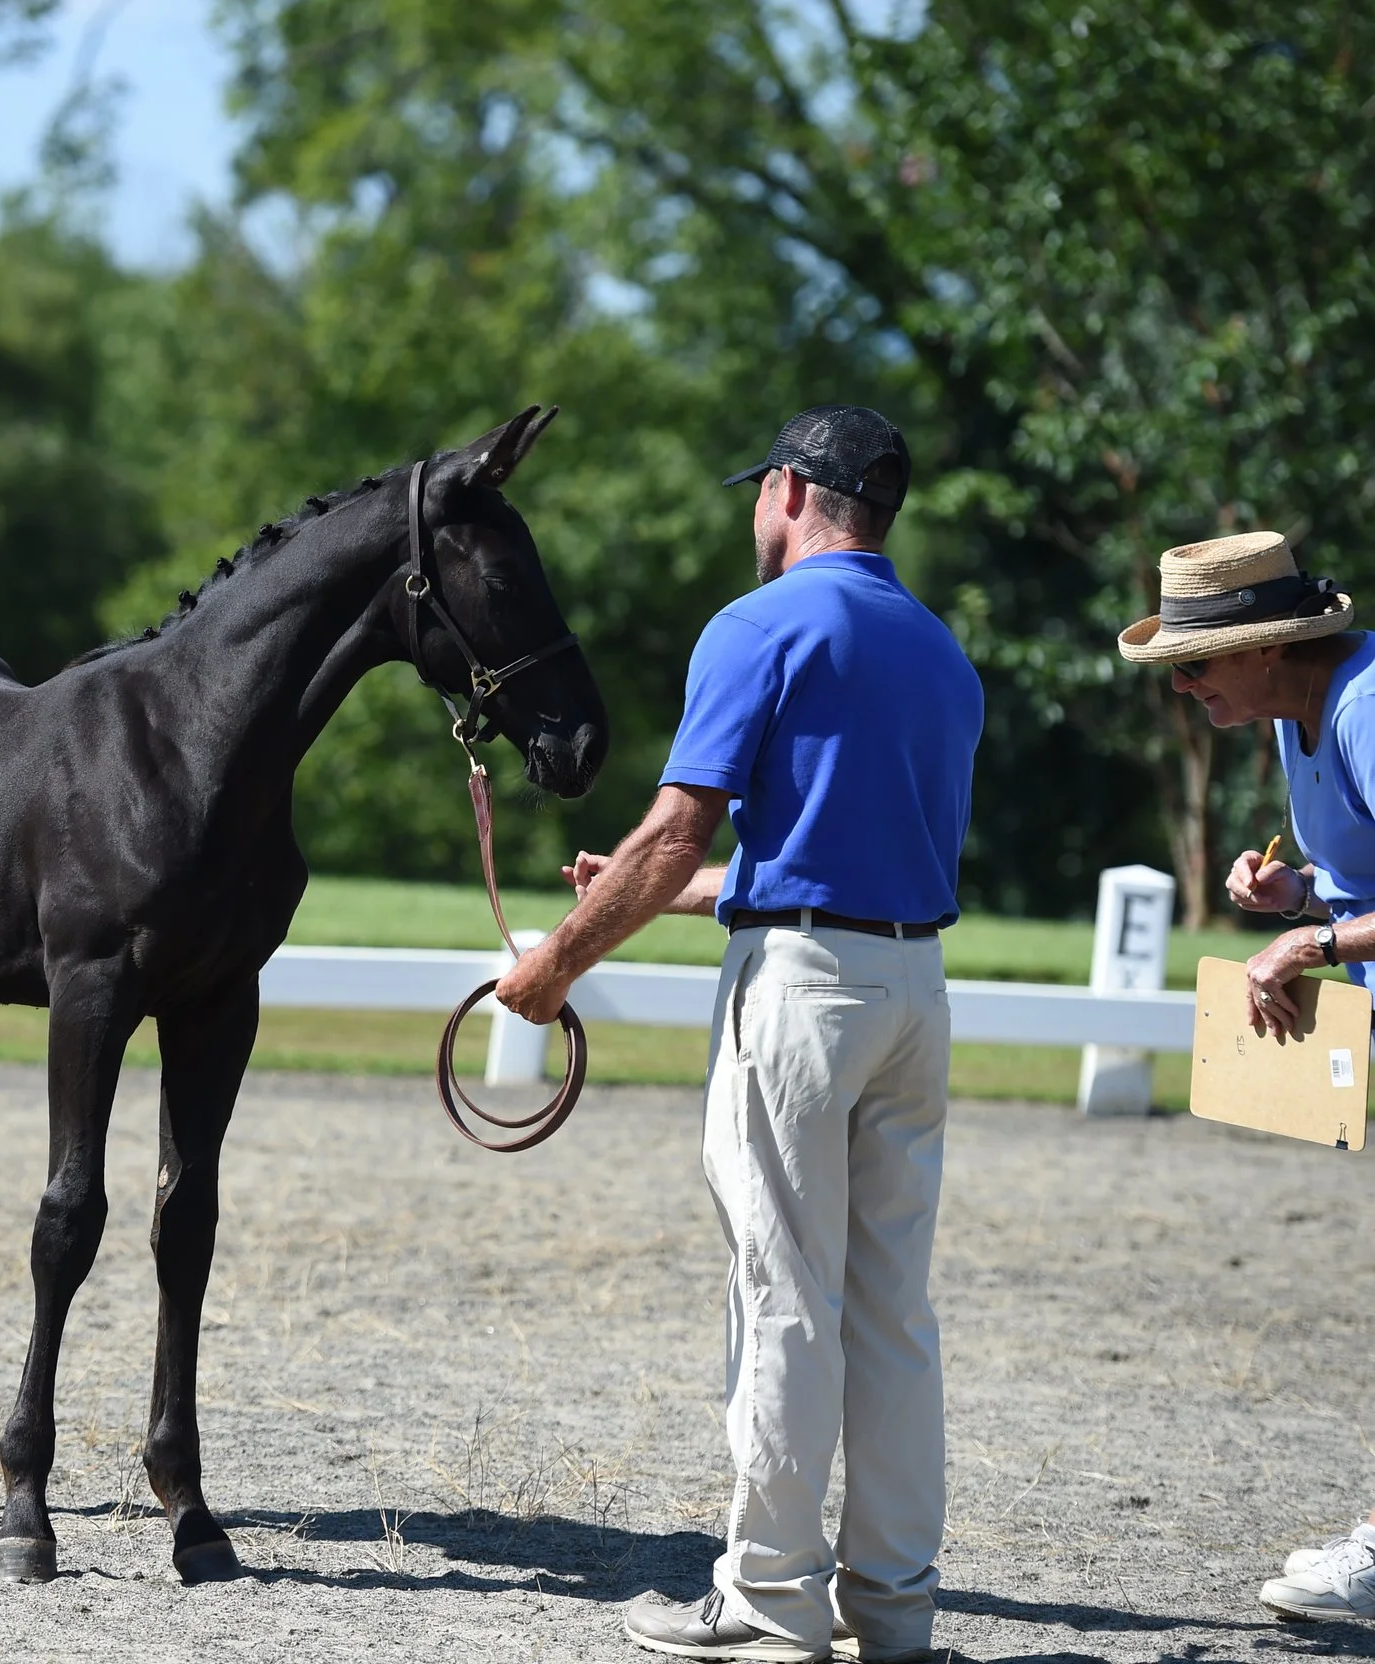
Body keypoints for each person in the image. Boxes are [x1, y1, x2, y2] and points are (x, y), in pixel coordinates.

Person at [498, 405, 983, 1664]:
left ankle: (768, 1600)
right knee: (892, 1311)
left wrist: (553, 965)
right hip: (913, 987)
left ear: (784, 490)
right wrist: (668, 886)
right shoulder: (941, 651)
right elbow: (831, 849)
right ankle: (891, 1609)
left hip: (802, 999)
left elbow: (679, 827)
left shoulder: (758, 625)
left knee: (782, 1296)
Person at [1114, 531, 1373, 1622]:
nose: (1181, 686)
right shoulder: (1289, 711)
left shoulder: (1364, 706)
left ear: (1269, 647)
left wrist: (1310, 946)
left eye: (1193, 663)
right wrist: (1296, 897)